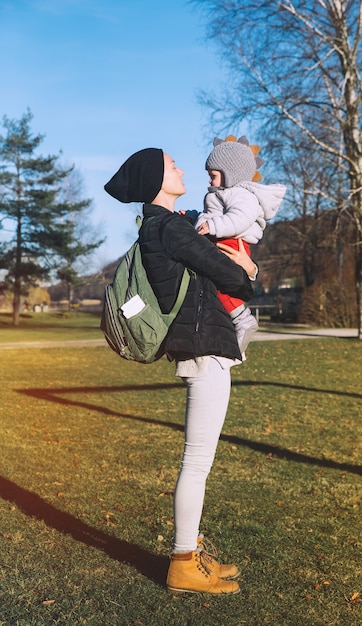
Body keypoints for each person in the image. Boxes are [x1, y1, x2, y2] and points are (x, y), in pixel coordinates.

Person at [104, 147, 258, 595]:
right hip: (202, 348)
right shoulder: (168, 227)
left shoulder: (164, 226)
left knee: (198, 461)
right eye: (173, 165)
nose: (182, 169)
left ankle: (191, 552)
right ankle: (183, 562)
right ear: (156, 179)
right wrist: (246, 270)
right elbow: (228, 276)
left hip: (202, 345)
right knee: (196, 463)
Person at [194, 136, 286, 354]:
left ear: (229, 173)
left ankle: (242, 318)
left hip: (232, 241)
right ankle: (234, 329)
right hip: (223, 236)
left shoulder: (241, 195)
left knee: (219, 281)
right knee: (214, 282)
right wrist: (193, 218)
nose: (209, 181)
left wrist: (213, 227)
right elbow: (209, 215)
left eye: (213, 176)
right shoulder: (221, 194)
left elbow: (240, 219)